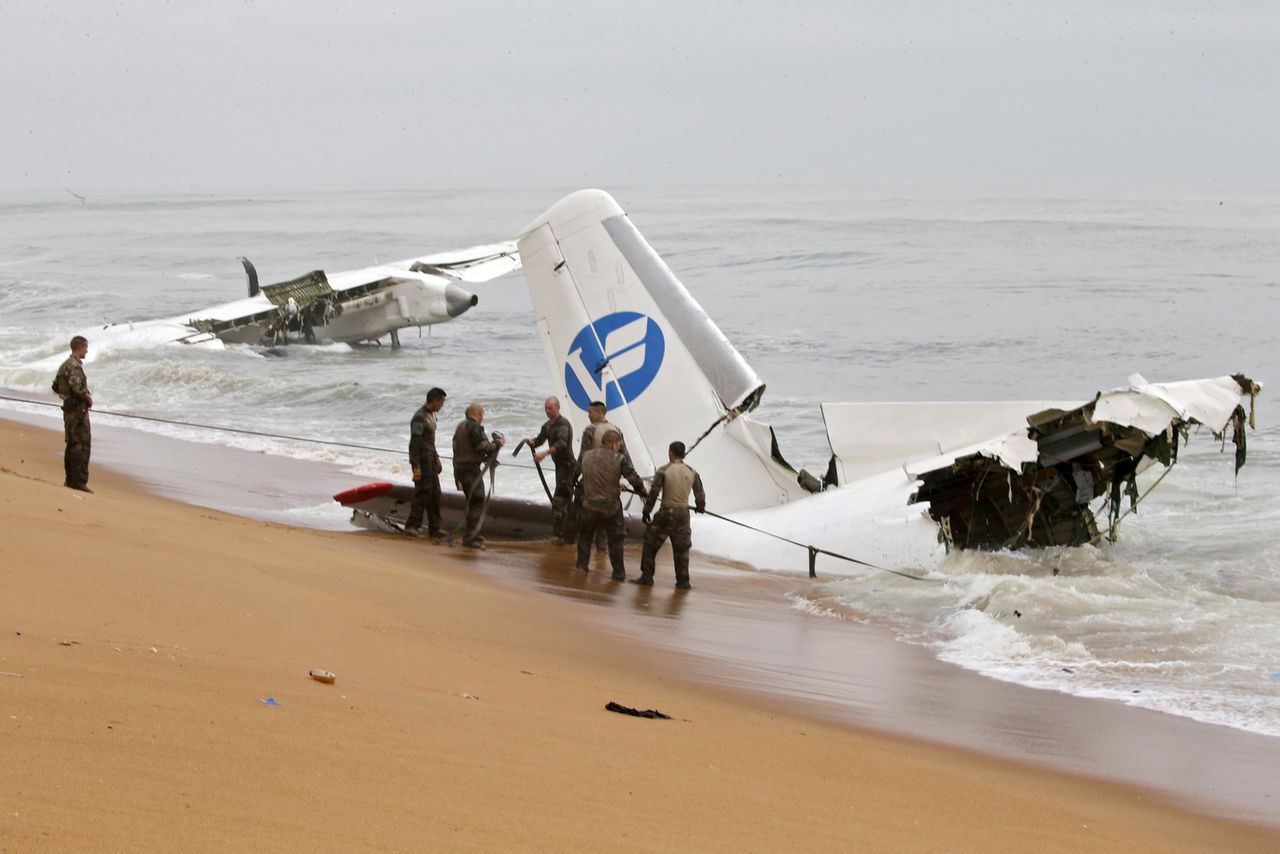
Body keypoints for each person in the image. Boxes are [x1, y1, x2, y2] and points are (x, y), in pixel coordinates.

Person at [634, 441, 706, 589]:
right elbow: (700, 494)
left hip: (666, 513)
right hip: (683, 515)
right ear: (683, 454)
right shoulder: (693, 472)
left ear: (671, 453)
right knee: (682, 550)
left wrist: (646, 511)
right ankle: (683, 581)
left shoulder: (663, 471)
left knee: (650, 543)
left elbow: (654, 494)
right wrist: (700, 507)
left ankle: (647, 577)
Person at [576, 430, 646, 580]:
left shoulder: (586, 456)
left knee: (585, 538)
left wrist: (614, 483)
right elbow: (634, 479)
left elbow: (587, 478)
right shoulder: (619, 458)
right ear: (614, 444)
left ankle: (581, 567)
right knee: (616, 540)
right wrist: (643, 492)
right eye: (618, 444)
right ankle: (618, 573)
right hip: (611, 508)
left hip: (589, 506)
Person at [576, 400, 632, 549]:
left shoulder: (590, 430)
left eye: (590, 412)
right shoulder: (616, 429)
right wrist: (629, 480)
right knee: (607, 512)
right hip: (611, 481)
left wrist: (574, 477)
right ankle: (601, 545)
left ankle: (578, 541)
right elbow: (625, 456)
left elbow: (583, 457)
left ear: (600, 413)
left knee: (584, 509)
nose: (588, 415)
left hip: (592, 480)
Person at [452, 402, 505, 548]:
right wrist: (498, 444)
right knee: (477, 500)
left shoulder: (460, 427)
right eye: (483, 415)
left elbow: (458, 452)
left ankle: (473, 533)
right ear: (479, 414)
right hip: (471, 470)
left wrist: (457, 477)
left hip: (461, 469)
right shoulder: (474, 427)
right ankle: (470, 537)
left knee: (473, 501)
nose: (483, 418)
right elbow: (482, 446)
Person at [526, 396, 575, 542]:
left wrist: (544, 454)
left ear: (558, 408)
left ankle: (563, 536)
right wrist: (532, 442)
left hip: (568, 466)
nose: (547, 411)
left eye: (550, 408)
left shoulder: (563, 424)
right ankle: (567, 534)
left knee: (560, 500)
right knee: (564, 500)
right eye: (546, 408)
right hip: (559, 467)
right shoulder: (547, 425)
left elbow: (562, 443)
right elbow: (540, 440)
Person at [52, 335, 93, 492]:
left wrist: (67, 397)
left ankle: (70, 480)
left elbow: (55, 386)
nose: (87, 351)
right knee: (81, 445)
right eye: (85, 347)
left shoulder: (64, 365)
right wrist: (88, 398)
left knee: (71, 444)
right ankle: (79, 482)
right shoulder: (74, 366)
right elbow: (77, 388)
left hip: (68, 410)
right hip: (78, 412)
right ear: (79, 347)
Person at [405, 387, 447, 540]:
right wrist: (416, 466)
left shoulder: (431, 415)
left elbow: (430, 442)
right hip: (422, 460)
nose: (442, 405)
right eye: (441, 402)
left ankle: (434, 528)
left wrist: (437, 458)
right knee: (424, 492)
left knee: (435, 494)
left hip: (430, 459)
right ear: (435, 400)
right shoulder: (419, 418)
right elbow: (414, 444)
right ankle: (412, 526)